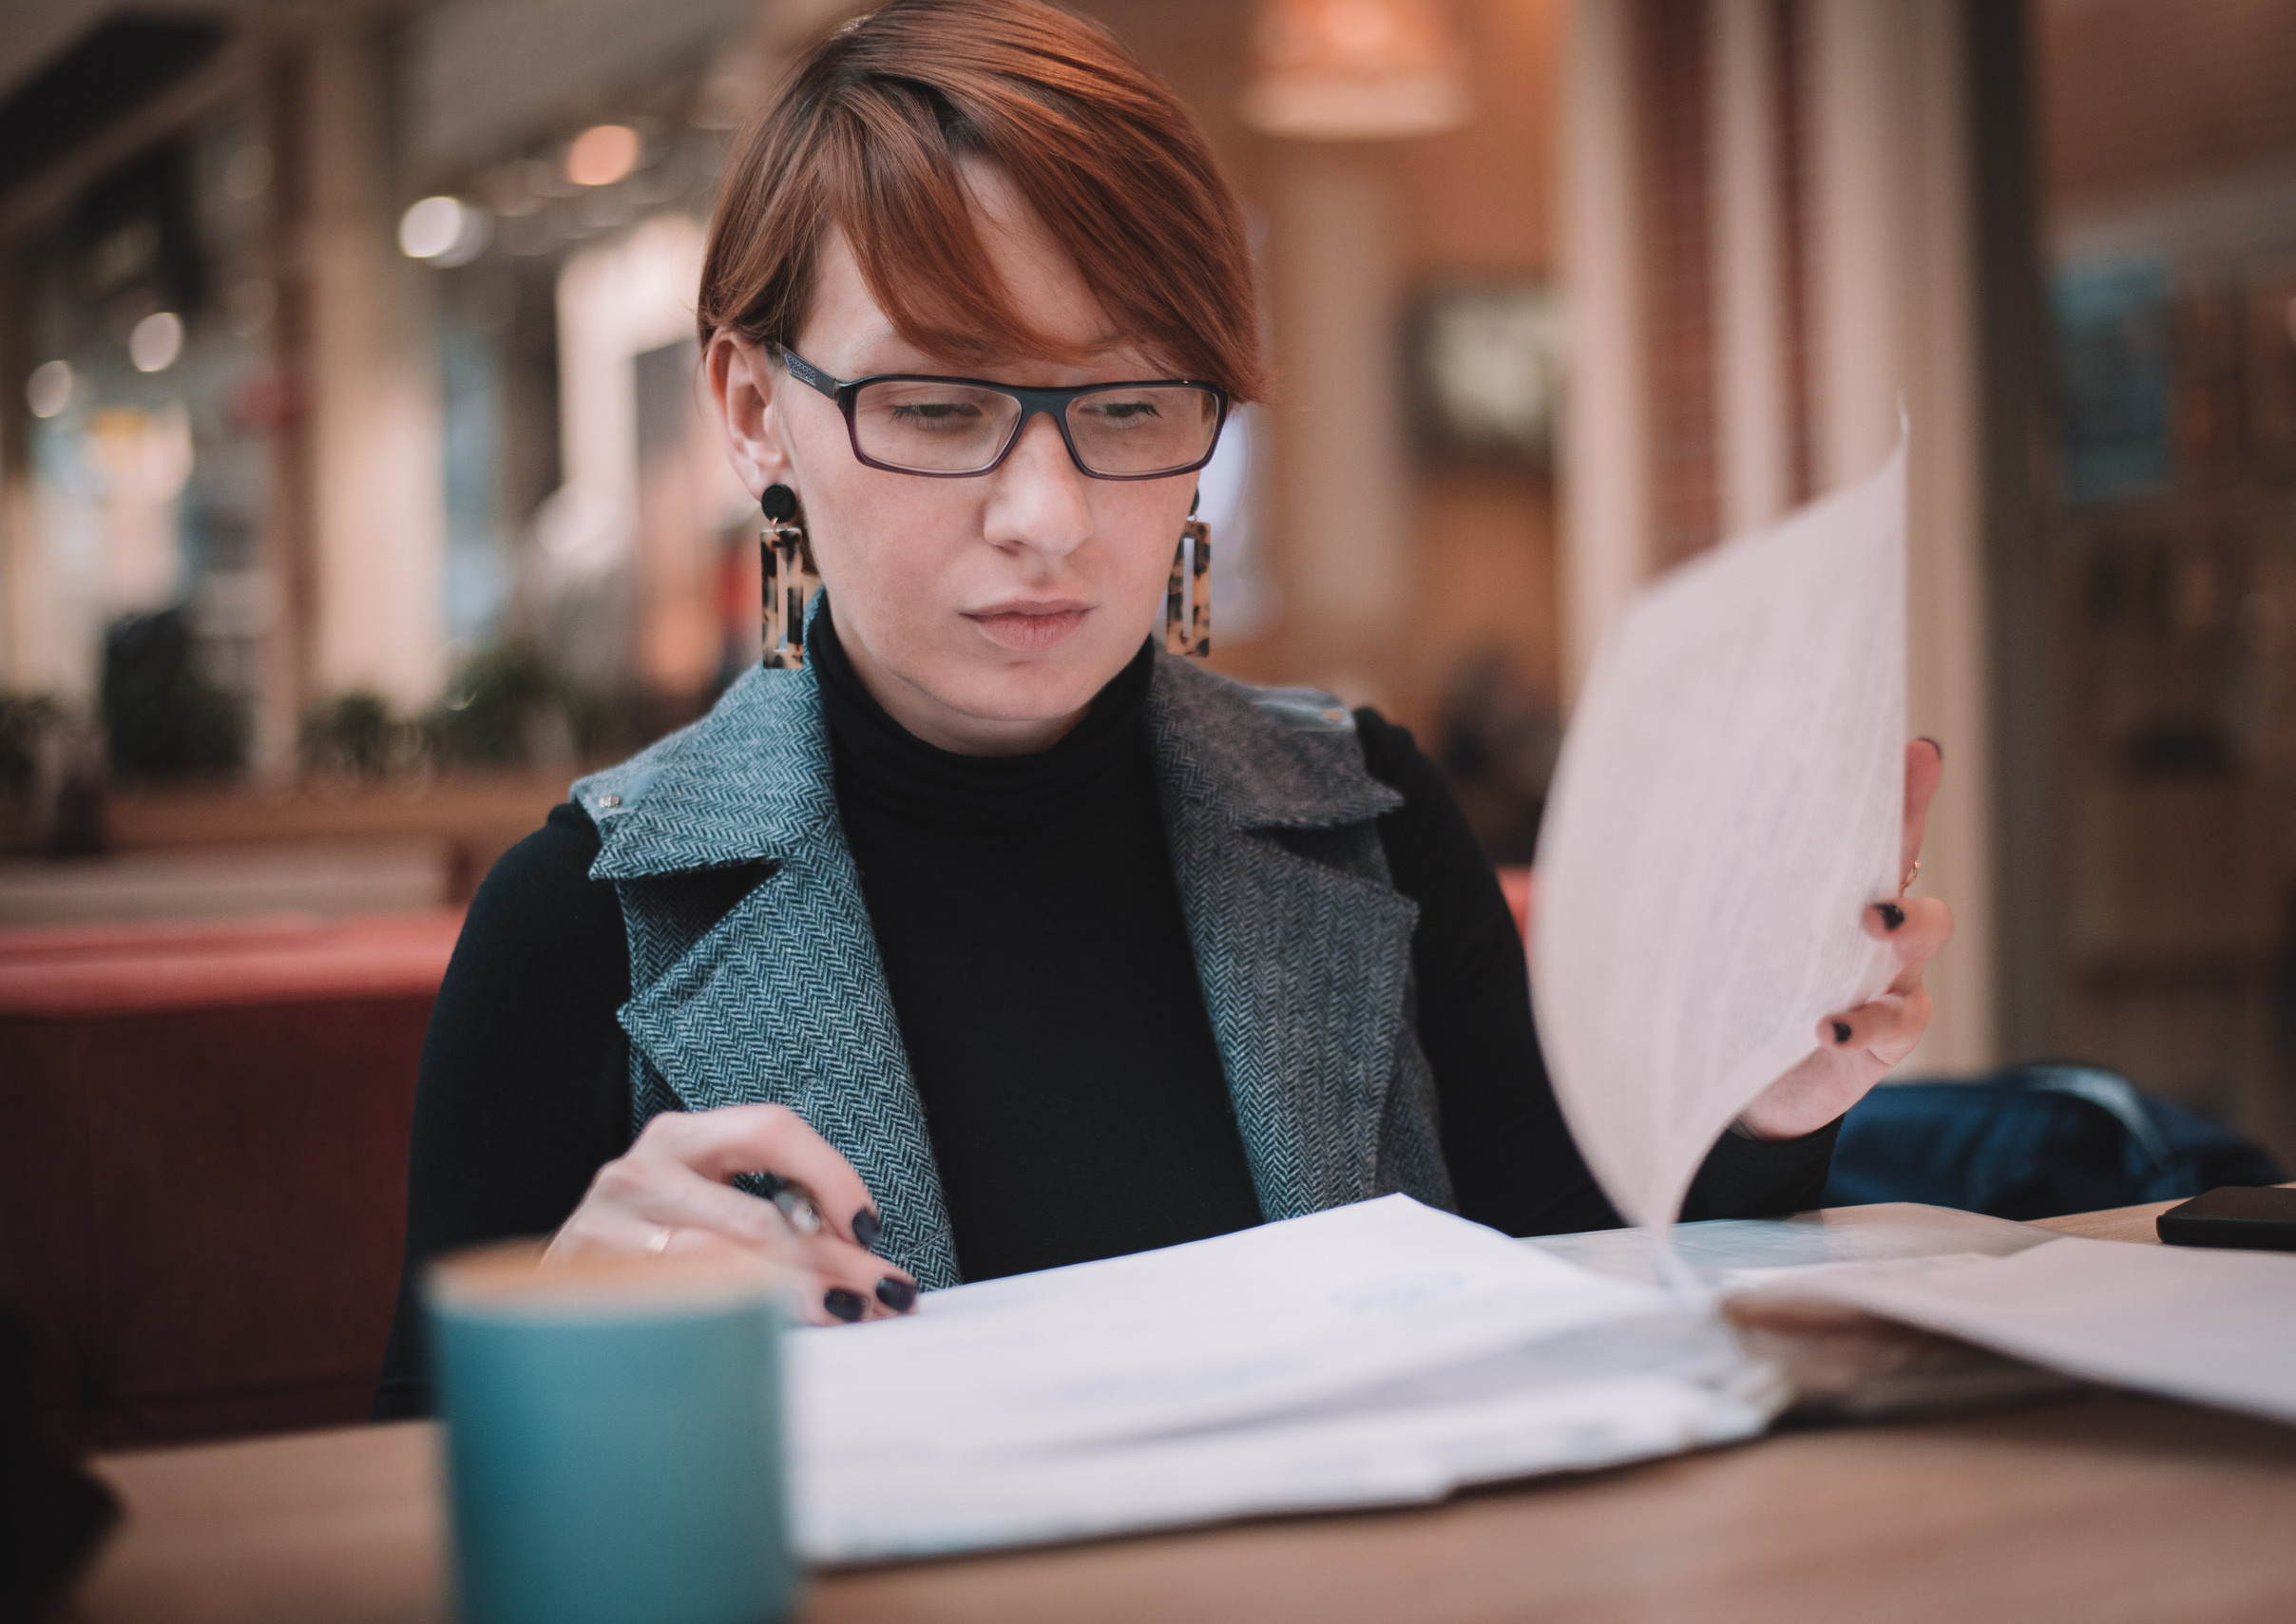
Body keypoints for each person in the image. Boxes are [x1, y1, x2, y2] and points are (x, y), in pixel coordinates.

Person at [373, 0, 1950, 1421]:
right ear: (751, 410)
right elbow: (391, 1510)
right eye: (937, 406)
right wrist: (558, 1327)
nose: (1047, 514)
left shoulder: (1369, 821)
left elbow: (1594, 1282)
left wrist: (1754, 1095)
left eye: (1128, 407)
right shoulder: (585, 917)